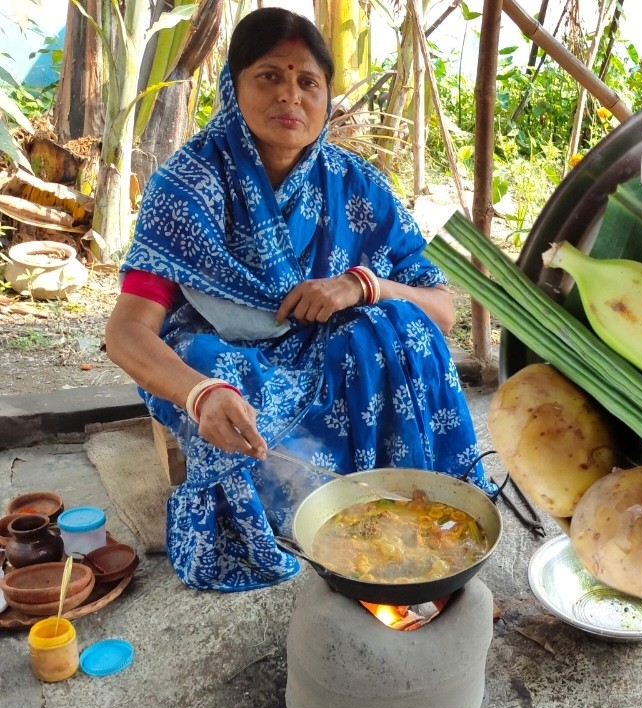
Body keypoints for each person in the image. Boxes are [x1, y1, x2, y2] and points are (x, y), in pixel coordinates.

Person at [105, 7, 496, 592]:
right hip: (226, 355)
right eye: (269, 76)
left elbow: (441, 310)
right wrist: (198, 393)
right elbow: (126, 332)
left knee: (396, 327)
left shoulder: (357, 186)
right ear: (233, 86)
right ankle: (297, 510)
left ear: (327, 98)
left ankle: (402, 504)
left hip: (328, 345)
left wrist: (362, 284)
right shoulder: (187, 187)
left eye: (308, 81)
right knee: (214, 365)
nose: (290, 95)